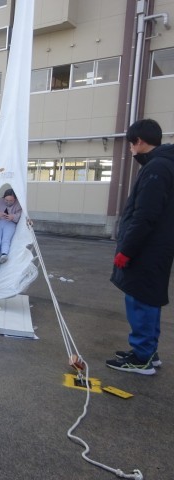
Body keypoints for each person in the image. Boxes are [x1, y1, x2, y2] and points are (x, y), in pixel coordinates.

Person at [107, 119, 174, 375]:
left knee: (140, 300)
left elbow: (145, 215)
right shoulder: (165, 164)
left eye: (131, 144)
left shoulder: (156, 168)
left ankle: (142, 358)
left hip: (146, 249)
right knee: (149, 299)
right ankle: (148, 352)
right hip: (157, 248)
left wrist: (127, 250)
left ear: (139, 141)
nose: (131, 149)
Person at [0, 188, 21, 264]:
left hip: (10, 224)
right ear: (3, 198)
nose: (8, 202)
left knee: (6, 239)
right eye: (6, 200)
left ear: (15, 199)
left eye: (11, 201)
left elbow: (20, 214)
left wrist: (13, 217)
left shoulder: (18, 204)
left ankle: (4, 254)